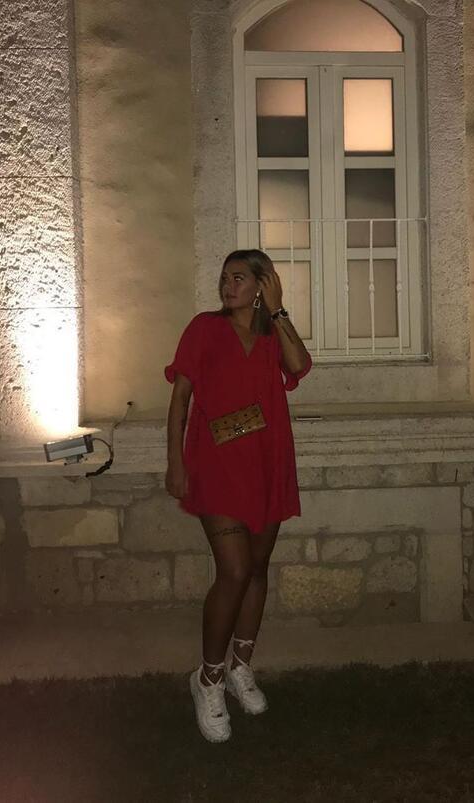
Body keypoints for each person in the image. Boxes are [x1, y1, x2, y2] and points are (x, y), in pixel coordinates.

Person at [164, 249, 312, 743]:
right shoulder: (204, 328)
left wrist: (279, 310)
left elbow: (299, 365)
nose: (228, 286)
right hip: (216, 465)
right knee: (233, 571)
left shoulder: (272, 335)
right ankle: (208, 678)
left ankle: (240, 667)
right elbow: (180, 399)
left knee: (257, 568)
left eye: (240, 278)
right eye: (224, 278)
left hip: (267, 463)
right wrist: (175, 461)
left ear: (262, 285)